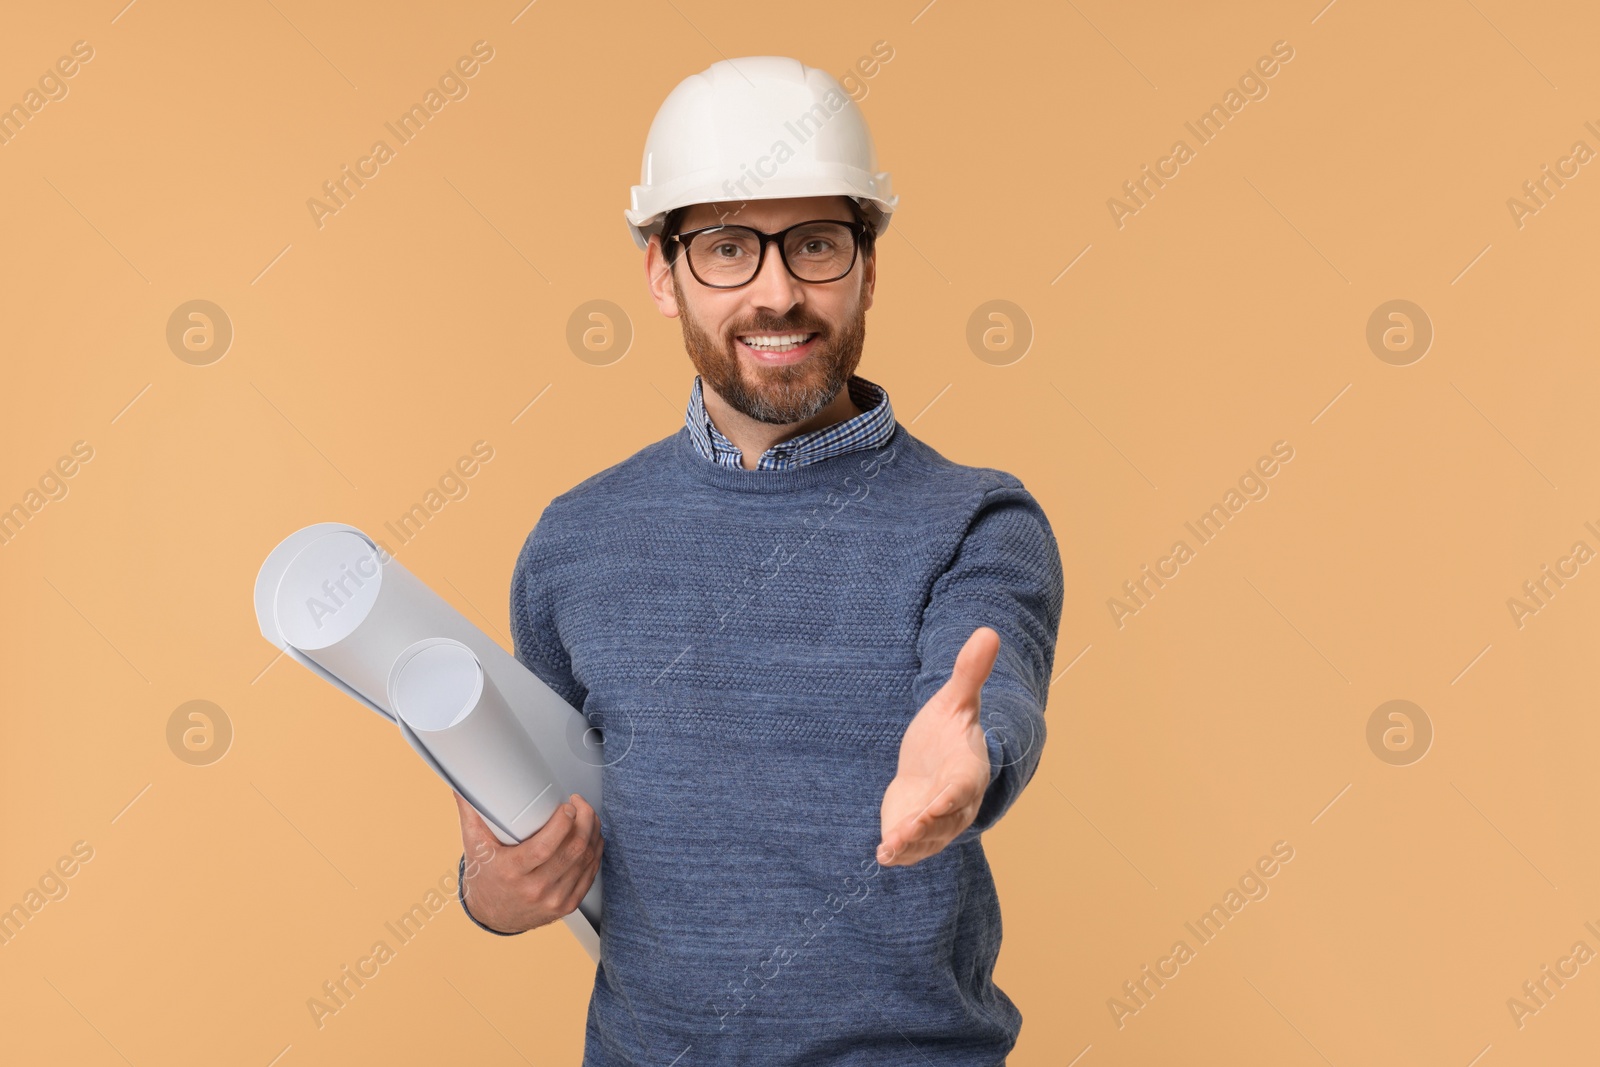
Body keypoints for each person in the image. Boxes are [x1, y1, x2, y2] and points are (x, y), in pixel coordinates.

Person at [451, 55, 1064, 1065]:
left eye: (816, 244)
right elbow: (534, 828)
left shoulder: (976, 520)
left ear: (869, 264)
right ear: (662, 272)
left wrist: (967, 762)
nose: (778, 293)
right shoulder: (572, 542)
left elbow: (993, 702)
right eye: (728, 248)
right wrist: (494, 891)